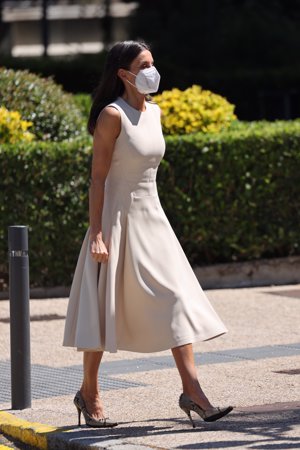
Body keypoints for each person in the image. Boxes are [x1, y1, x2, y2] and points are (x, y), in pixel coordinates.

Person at [63, 40, 233, 429]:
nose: (152, 70)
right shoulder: (112, 115)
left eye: (152, 62)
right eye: (144, 64)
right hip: (116, 222)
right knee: (104, 310)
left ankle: (193, 391)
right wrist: (97, 233)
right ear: (124, 74)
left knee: (175, 298)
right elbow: (98, 179)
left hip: (153, 220)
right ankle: (89, 393)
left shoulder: (154, 113)